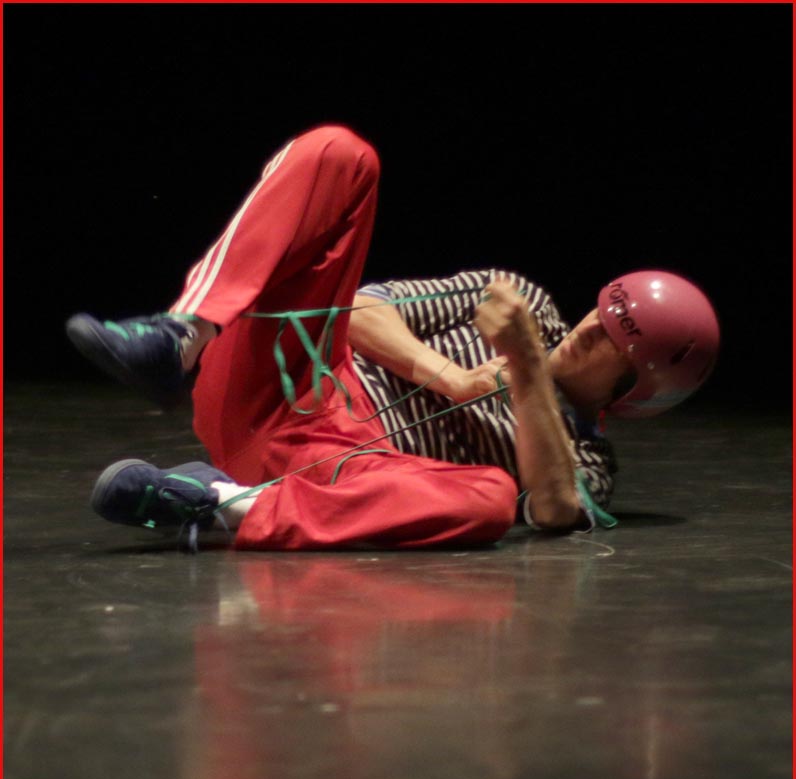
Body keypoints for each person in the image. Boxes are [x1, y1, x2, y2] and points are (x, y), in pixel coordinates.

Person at [65, 125, 719, 551]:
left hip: (343, 470)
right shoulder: (526, 302)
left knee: (491, 501)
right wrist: (451, 377)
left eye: (613, 340)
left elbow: (551, 509)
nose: (588, 329)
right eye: (601, 313)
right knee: (342, 155)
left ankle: (217, 503)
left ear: (632, 391)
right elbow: (357, 308)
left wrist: (524, 368)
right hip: (299, 380)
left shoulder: (590, 461)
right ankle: (181, 336)